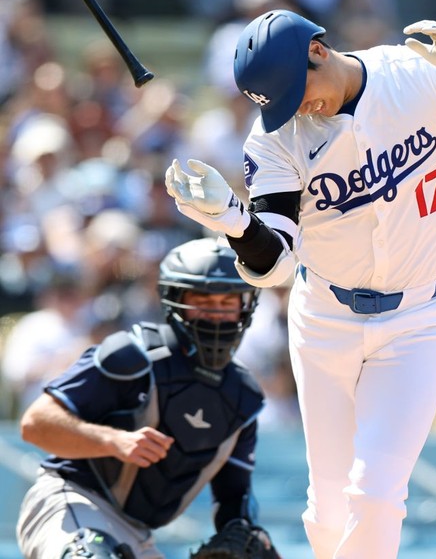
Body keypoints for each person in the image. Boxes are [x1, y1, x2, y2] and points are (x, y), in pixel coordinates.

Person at [164, 9, 436, 559]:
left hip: (421, 317)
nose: (298, 107)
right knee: (327, 509)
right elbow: (276, 263)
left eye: (297, 91)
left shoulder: (415, 73)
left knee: (374, 495)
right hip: (325, 319)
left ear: (318, 51)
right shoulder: (275, 140)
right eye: (279, 104)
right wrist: (234, 221)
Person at [16, 237, 280, 559]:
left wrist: (244, 536)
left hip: (136, 534)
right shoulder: (131, 356)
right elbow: (35, 423)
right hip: (71, 501)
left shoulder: (243, 398)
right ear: (174, 299)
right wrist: (114, 440)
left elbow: (233, 500)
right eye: (203, 299)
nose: (216, 313)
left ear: (246, 305)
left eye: (228, 302)